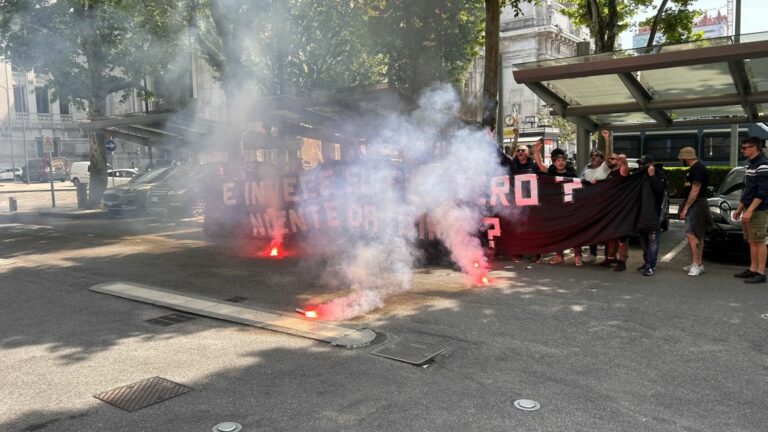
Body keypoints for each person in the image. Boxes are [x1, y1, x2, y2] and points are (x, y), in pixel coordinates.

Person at [533, 143, 582, 265]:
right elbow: (540, 165)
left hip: (570, 208)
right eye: (558, 160)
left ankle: (577, 255)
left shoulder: (571, 175)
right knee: (558, 231)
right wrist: (536, 152)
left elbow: (581, 186)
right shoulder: (551, 171)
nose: (560, 162)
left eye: (562, 160)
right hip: (556, 208)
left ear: (565, 162)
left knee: (573, 231)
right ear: (554, 163)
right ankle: (559, 255)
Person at [732, 136, 768, 284]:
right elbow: (747, 190)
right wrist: (740, 208)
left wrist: (749, 210)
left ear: (754, 148)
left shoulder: (763, 165)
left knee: (759, 241)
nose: (742, 150)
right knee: (751, 240)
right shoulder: (751, 165)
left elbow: (763, 192)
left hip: (759, 209)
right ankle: (753, 269)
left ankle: (760, 272)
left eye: (744, 148)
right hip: (750, 208)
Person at [677, 146, 712, 276]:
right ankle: (698, 263)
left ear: (686, 157)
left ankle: (696, 264)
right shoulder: (697, 168)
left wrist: (685, 208)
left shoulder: (697, 169)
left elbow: (695, 190)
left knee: (691, 233)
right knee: (698, 235)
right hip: (698, 203)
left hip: (696, 204)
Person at [580, 129, 613, 263]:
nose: (594, 157)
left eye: (597, 156)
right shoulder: (587, 172)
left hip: (603, 205)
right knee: (592, 230)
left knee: (604, 231)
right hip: (590, 206)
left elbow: (608, 156)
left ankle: (607, 256)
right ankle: (592, 254)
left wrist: (607, 140)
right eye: (592, 155)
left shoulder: (604, 168)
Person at [635, 155, 667, 276]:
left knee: (652, 240)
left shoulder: (659, 174)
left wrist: (652, 175)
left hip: (653, 213)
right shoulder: (641, 176)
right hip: (641, 214)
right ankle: (647, 262)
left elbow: (660, 189)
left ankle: (651, 265)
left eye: (644, 163)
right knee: (643, 241)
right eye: (641, 164)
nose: (642, 166)